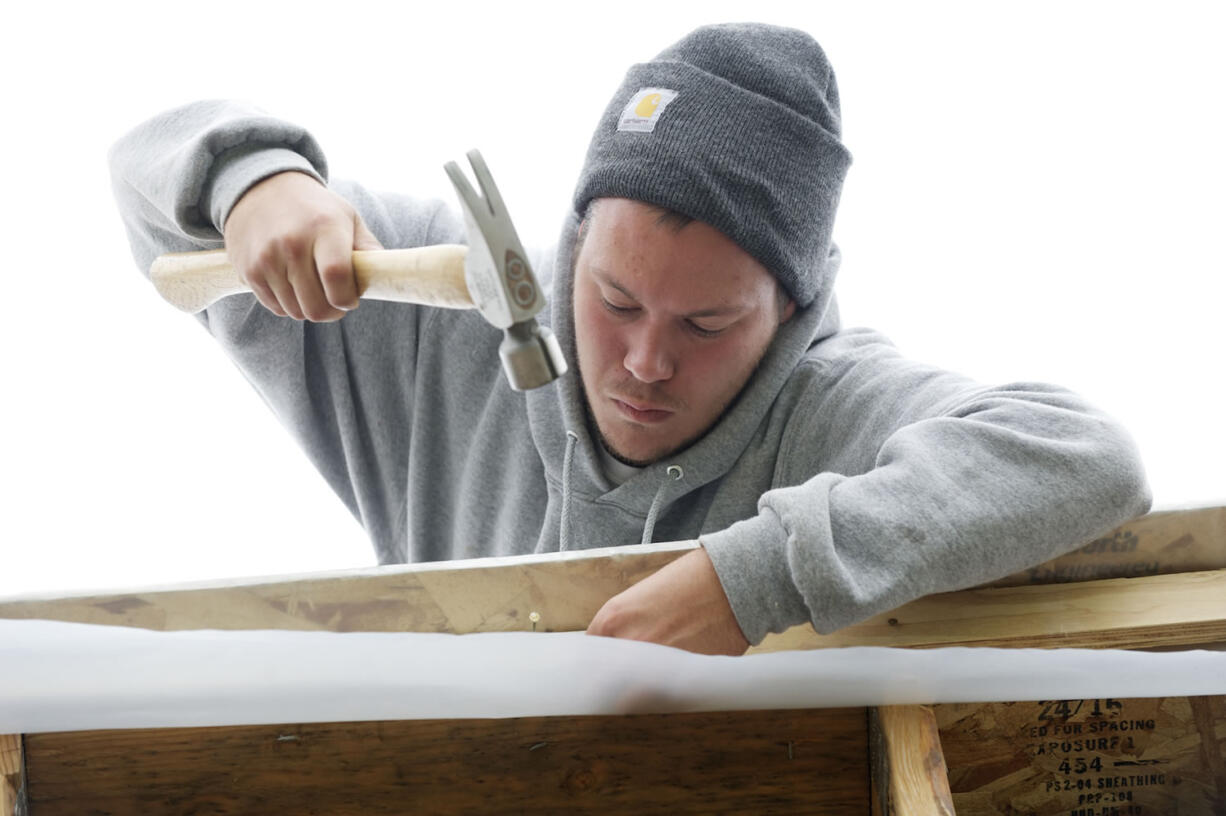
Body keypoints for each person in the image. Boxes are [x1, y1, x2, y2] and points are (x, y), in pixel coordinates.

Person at [109, 23, 1150, 656]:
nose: (646, 362)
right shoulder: (431, 302)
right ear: (564, 251)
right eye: (612, 301)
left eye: (705, 324)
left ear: (789, 310)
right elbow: (148, 184)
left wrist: (762, 578)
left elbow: (1080, 456)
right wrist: (254, 181)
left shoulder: (829, 404)